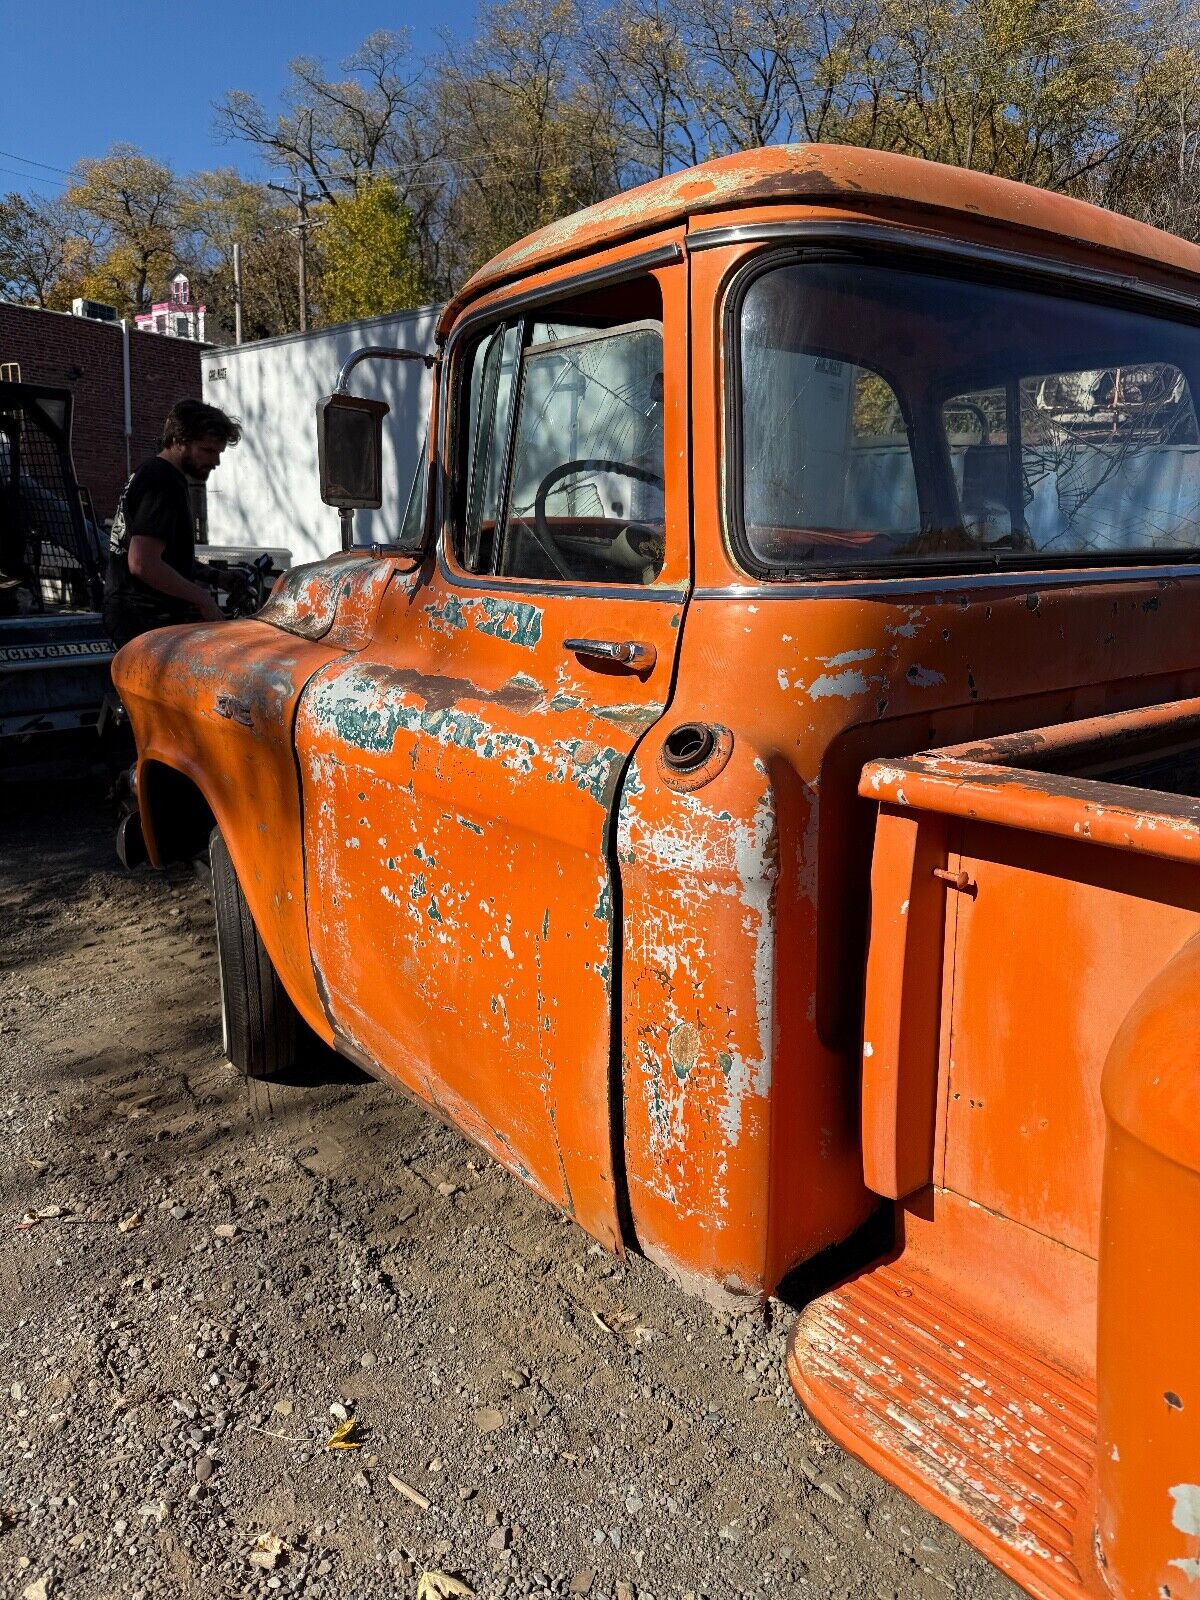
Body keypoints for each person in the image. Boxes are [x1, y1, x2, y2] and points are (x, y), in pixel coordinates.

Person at [103, 399, 241, 647]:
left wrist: (215, 577)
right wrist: (203, 600)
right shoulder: (162, 480)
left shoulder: (152, 473)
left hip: (134, 615)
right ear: (179, 441)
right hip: (144, 621)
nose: (216, 462)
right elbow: (142, 563)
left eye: (219, 453)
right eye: (208, 451)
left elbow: (164, 559)